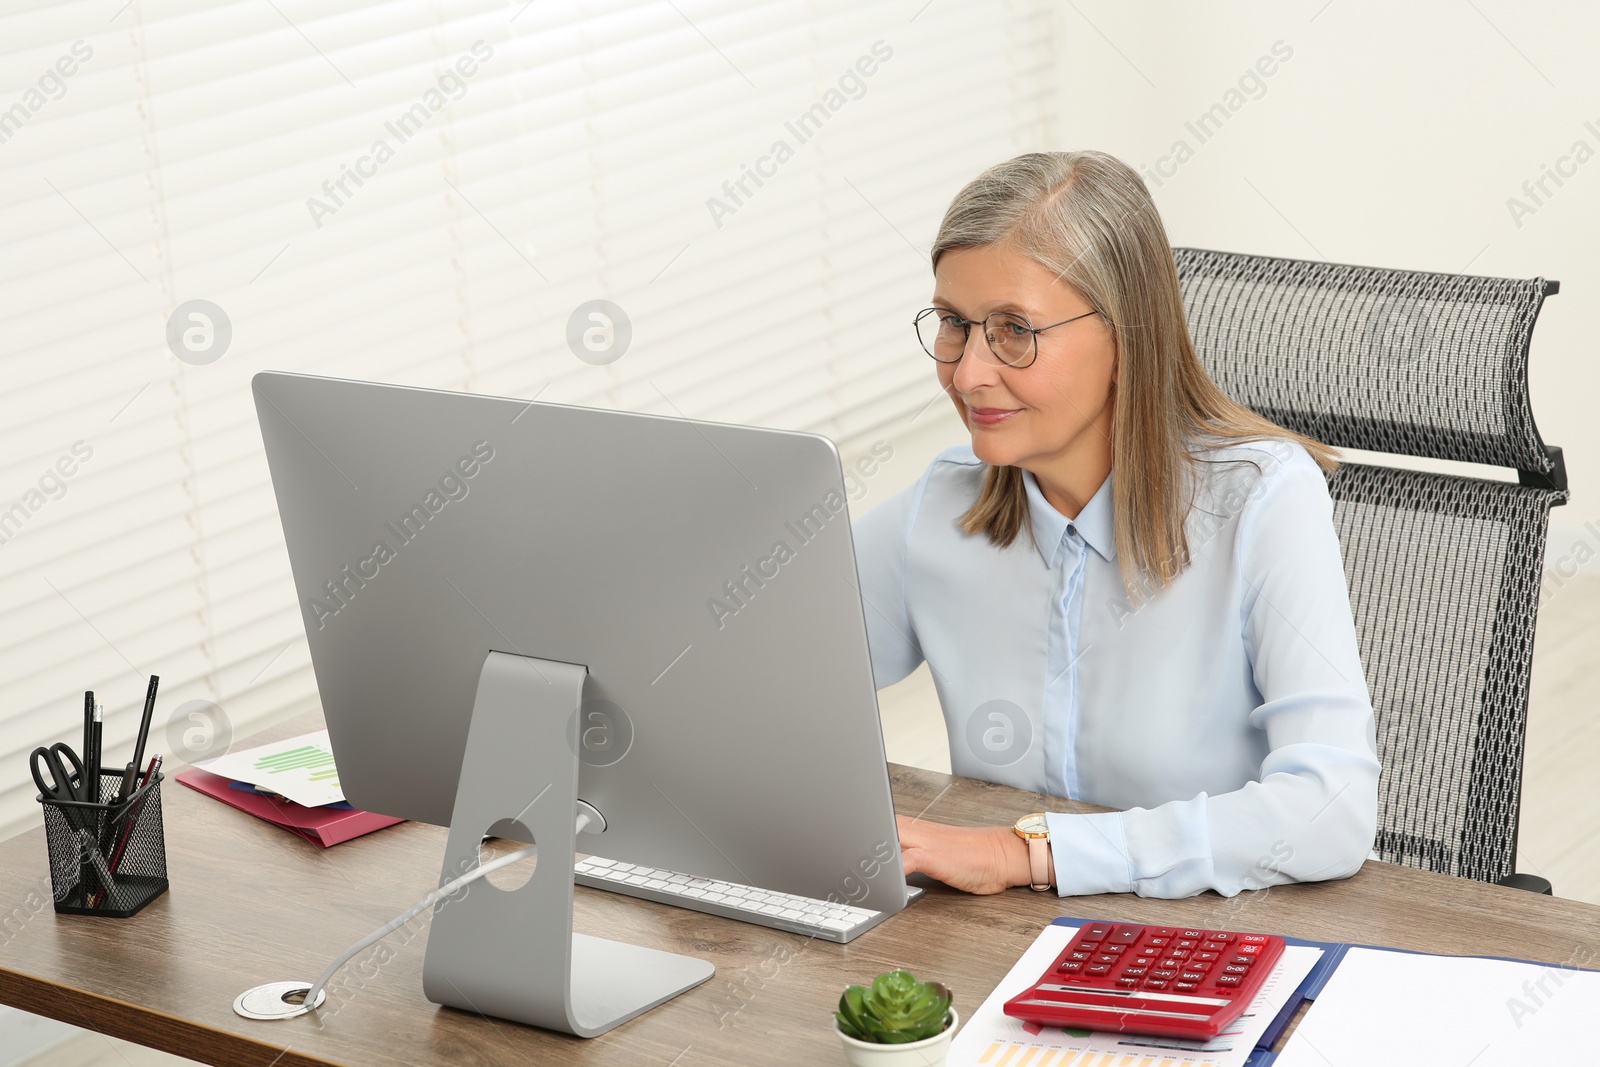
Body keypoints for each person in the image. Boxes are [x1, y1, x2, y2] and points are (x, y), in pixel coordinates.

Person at [853, 150, 1379, 899]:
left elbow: (1332, 809)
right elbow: (762, 679)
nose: (968, 373)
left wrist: (1025, 853)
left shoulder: (1263, 499)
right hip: (992, 953)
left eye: (1014, 330)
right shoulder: (938, 510)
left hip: (1209, 946)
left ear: (1127, 339)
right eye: (953, 324)